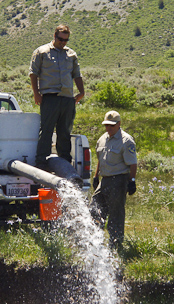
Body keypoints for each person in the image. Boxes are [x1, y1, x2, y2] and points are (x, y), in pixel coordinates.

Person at [29, 24, 84, 169]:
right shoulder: (41, 52)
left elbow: (77, 75)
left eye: (66, 40)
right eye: (61, 39)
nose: (63, 42)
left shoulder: (71, 54)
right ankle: (41, 162)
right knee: (46, 131)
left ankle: (64, 162)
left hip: (67, 98)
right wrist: (36, 93)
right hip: (50, 97)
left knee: (65, 131)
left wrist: (81, 92)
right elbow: (33, 73)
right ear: (54, 36)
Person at [91, 110, 137, 249]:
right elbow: (100, 159)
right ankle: (95, 239)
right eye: (106, 125)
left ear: (119, 124)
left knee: (116, 212)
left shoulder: (126, 141)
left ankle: (116, 243)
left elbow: (133, 163)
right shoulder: (102, 138)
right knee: (95, 208)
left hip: (118, 180)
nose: (108, 128)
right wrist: (96, 176)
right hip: (104, 179)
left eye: (111, 125)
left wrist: (132, 181)